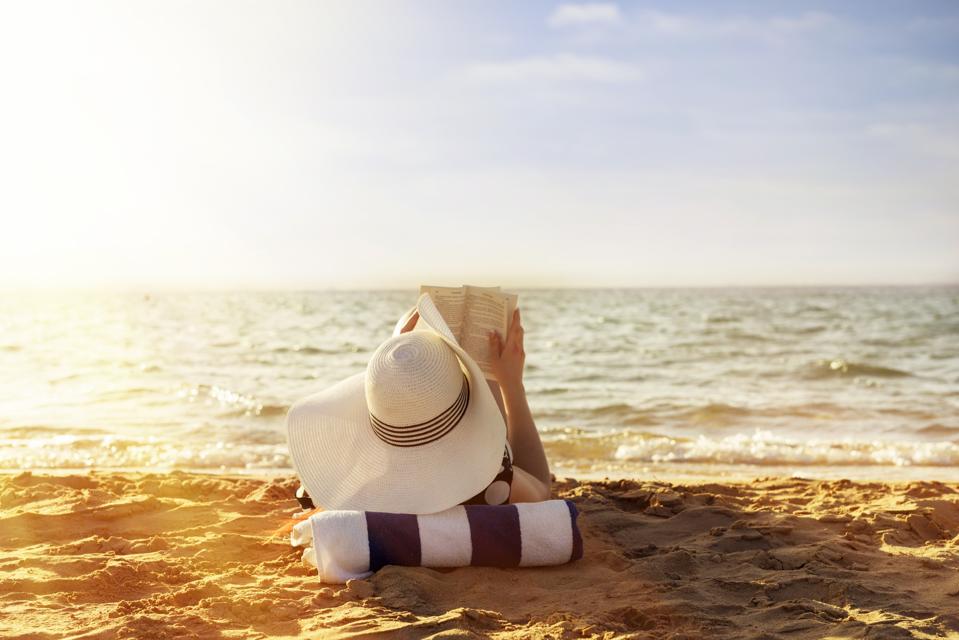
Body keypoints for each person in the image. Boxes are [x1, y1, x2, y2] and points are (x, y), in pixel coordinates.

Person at [286, 292, 551, 515]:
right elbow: (541, 488)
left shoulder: (355, 489)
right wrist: (512, 384)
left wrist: (397, 354)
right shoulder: (493, 482)